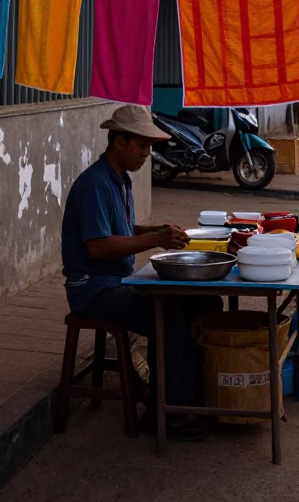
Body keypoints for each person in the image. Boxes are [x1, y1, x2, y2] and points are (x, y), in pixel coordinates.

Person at [62, 104, 221, 441]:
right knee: (169, 318)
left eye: (149, 147)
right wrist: (154, 239)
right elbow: (98, 246)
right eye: (141, 146)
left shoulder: (120, 181)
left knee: (205, 305)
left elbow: (120, 228)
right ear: (119, 141)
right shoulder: (94, 184)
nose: (147, 154)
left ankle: (189, 396)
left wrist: (153, 229)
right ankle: (168, 413)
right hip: (93, 290)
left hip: (118, 281)